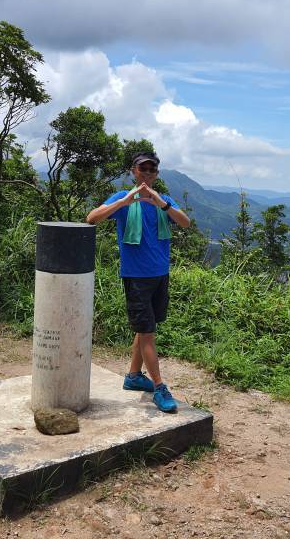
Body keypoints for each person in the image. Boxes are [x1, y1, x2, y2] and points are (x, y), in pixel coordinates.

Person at [86, 152, 191, 413]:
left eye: (152, 169)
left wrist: (161, 204)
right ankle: (159, 387)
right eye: (142, 169)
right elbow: (92, 218)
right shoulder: (123, 200)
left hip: (159, 275)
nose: (147, 173)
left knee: (146, 327)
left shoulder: (163, 201)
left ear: (156, 174)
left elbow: (186, 223)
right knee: (147, 333)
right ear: (133, 171)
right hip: (136, 276)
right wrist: (123, 202)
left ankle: (134, 376)